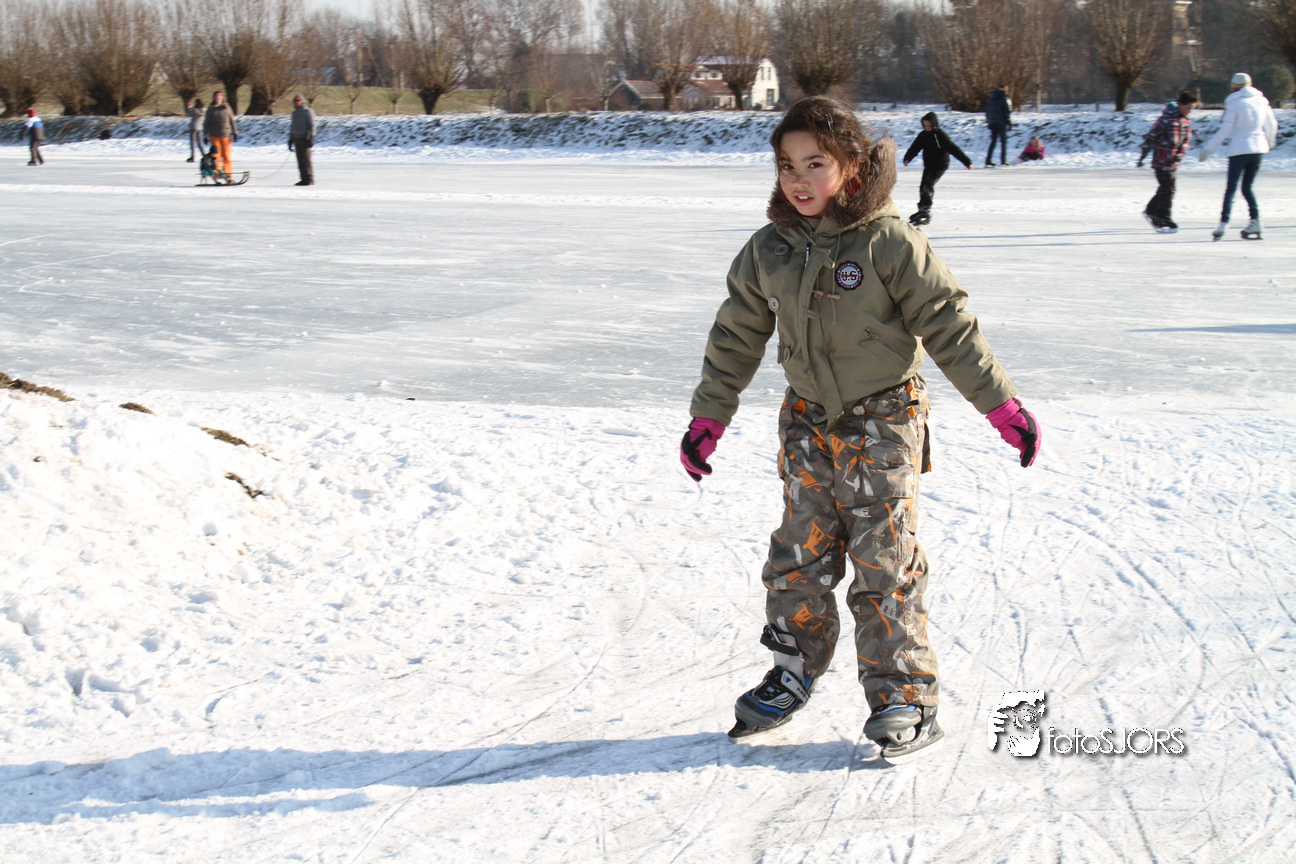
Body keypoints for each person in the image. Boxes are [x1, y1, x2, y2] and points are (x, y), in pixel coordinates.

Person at [679, 96, 1040, 764]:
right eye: (787, 165)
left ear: (850, 165)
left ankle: (904, 694)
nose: (799, 178)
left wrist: (1000, 405)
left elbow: (948, 323)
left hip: (883, 419)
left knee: (884, 557)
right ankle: (793, 669)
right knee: (799, 552)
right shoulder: (770, 249)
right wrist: (710, 416)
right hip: (807, 420)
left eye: (815, 163)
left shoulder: (889, 242)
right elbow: (736, 334)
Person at [1198, 73, 1279, 241]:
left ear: (1233, 87)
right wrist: (1270, 141)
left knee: (1231, 188)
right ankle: (1256, 221)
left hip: (1239, 150)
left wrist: (1209, 148)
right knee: (1247, 187)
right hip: (1258, 149)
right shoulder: (1262, 101)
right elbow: (1272, 124)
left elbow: (1225, 130)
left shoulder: (1234, 104)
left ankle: (1224, 223)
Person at [1138, 91, 1198, 233]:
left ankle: (1151, 210)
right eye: (1188, 108)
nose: (1189, 111)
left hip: (1173, 161)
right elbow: (1151, 136)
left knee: (1166, 188)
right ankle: (1163, 217)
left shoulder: (1185, 121)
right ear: (1180, 104)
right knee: (1168, 188)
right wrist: (1143, 155)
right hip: (1162, 159)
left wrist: (1180, 155)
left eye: (1192, 109)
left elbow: (1186, 141)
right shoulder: (1166, 119)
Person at [901, 111, 973, 226]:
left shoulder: (940, 135)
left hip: (940, 165)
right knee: (923, 186)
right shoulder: (923, 135)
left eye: (929, 125)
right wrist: (908, 158)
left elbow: (953, 149)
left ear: (934, 124)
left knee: (927, 185)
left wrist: (967, 162)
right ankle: (922, 210)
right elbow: (915, 147)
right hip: (929, 165)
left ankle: (926, 212)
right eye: (925, 125)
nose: (927, 128)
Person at [202, 90, 238, 177]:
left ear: (222, 98)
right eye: (217, 96)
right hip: (215, 136)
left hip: (226, 135)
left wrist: (235, 132)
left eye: (220, 96)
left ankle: (228, 175)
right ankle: (217, 174)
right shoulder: (211, 109)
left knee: (227, 156)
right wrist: (205, 135)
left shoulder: (226, 107)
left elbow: (232, 120)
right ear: (214, 98)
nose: (218, 98)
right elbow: (206, 123)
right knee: (216, 157)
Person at [288, 95, 317, 186]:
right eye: (295, 101)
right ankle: (303, 178)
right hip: (297, 139)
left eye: (298, 100)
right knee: (300, 160)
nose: (297, 102)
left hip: (305, 138)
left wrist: (311, 137)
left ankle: (309, 179)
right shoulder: (294, 113)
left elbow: (312, 125)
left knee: (306, 160)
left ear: (302, 101)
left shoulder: (307, 111)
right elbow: (293, 127)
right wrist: (291, 139)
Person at [984, 86, 1012, 167]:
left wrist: (989, 122)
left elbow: (987, 112)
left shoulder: (990, 99)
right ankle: (1003, 160)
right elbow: (1007, 112)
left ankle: (988, 160)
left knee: (993, 142)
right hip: (1001, 123)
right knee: (1003, 142)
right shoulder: (1004, 99)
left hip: (992, 123)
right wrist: (1008, 122)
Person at [185, 98, 205, 163]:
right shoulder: (203, 110)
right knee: (199, 143)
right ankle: (204, 155)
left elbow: (188, 113)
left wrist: (188, 107)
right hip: (200, 128)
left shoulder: (195, 110)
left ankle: (192, 157)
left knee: (192, 143)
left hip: (193, 127)